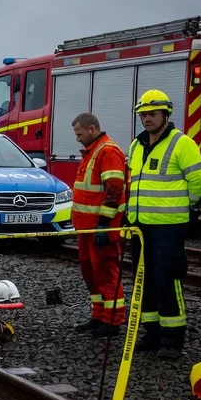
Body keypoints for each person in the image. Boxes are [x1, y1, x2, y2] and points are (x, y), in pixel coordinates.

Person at [126, 89, 201, 359]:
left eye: (152, 114)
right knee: (145, 281)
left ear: (165, 114)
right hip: (140, 226)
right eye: (143, 114)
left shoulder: (181, 143)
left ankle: (173, 339)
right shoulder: (136, 145)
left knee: (167, 280)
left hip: (168, 227)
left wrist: (180, 206)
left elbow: (200, 182)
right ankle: (152, 333)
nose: (147, 119)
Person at [69, 113, 127, 338]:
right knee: (91, 274)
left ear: (92, 129)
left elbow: (114, 191)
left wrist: (104, 223)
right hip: (87, 228)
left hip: (100, 228)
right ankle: (99, 316)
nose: (77, 139)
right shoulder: (93, 151)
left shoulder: (107, 151)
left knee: (105, 273)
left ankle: (113, 321)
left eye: (79, 134)